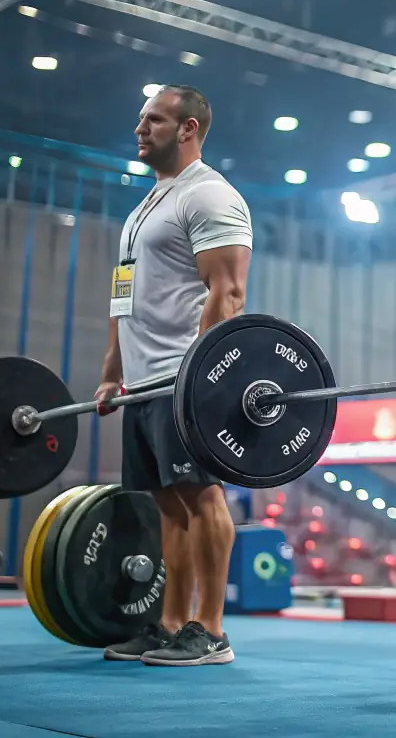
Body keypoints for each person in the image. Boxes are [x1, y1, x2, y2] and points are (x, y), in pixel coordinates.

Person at [95, 85, 253, 667]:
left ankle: (210, 631)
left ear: (187, 128)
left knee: (202, 496)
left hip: (186, 379)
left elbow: (228, 292)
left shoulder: (210, 194)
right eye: (140, 119)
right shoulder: (143, 209)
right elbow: (123, 294)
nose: (140, 129)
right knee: (168, 506)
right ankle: (168, 624)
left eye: (153, 120)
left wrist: (201, 375)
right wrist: (113, 371)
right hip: (143, 382)